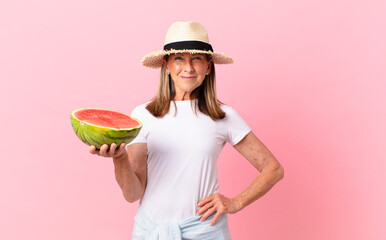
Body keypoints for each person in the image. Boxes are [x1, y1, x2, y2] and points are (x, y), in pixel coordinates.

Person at [89, 21, 284, 239]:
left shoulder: (223, 115)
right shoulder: (143, 115)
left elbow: (273, 168)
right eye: (179, 58)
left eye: (197, 59)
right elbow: (133, 194)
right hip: (151, 231)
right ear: (166, 65)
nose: (188, 68)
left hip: (204, 231)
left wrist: (236, 202)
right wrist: (119, 157)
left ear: (208, 66)